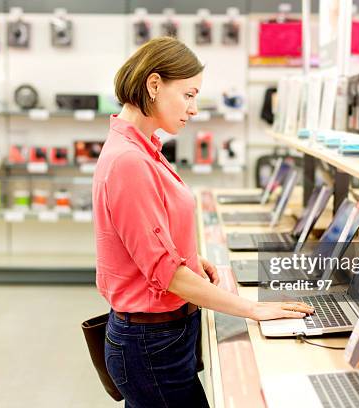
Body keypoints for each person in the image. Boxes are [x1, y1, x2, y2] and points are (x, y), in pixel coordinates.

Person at [92, 37, 314, 408]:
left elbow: (151, 245)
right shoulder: (130, 161)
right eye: (189, 95)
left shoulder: (142, 147)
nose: (193, 109)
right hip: (151, 344)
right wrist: (253, 309)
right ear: (154, 85)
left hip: (158, 337)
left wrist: (190, 259)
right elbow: (165, 273)